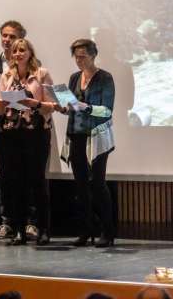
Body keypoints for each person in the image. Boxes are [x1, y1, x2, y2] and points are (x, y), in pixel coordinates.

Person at [0, 38, 55, 245]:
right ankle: (19, 230)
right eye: (15, 51)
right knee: (16, 183)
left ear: (30, 52)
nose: (18, 54)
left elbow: (53, 105)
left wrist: (34, 103)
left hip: (36, 132)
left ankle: (43, 229)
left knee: (37, 181)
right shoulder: (6, 75)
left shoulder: (41, 74)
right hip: (11, 134)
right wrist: (1, 105)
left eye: (22, 50)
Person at [59, 39, 116, 248]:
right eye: (76, 56)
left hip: (97, 136)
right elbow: (70, 107)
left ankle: (107, 232)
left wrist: (86, 107)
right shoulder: (74, 78)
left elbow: (107, 110)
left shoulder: (105, 78)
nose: (79, 60)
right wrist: (63, 107)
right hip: (76, 135)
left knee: (98, 184)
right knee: (81, 185)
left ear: (93, 55)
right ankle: (85, 230)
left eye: (82, 56)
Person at [0, 21, 39, 241]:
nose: (8, 41)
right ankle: (7, 221)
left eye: (13, 37)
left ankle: (30, 222)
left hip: (27, 128)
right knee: (7, 176)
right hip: (3, 126)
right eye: (5, 36)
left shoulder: (34, 65)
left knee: (29, 175)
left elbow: (38, 96)